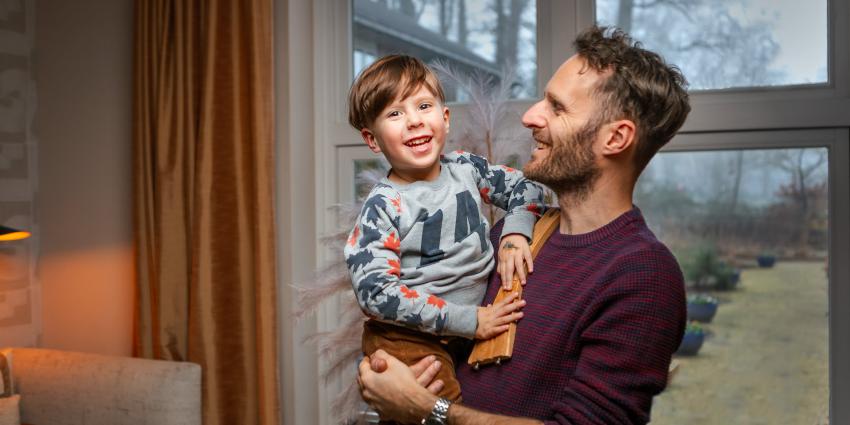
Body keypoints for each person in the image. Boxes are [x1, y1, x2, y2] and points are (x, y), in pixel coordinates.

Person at [358, 26, 691, 425]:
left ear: (616, 138)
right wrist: (392, 377)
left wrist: (427, 409)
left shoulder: (644, 275)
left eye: (557, 108)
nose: (530, 116)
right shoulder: (512, 237)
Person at [344, 55, 547, 404]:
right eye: (395, 114)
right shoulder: (384, 206)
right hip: (410, 337)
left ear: (445, 118)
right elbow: (377, 294)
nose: (414, 121)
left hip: (468, 328)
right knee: (438, 403)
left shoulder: (466, 169)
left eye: (424, 106)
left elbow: (528, 186)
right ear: (372, 139)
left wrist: (515, 233)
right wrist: (469, 321)